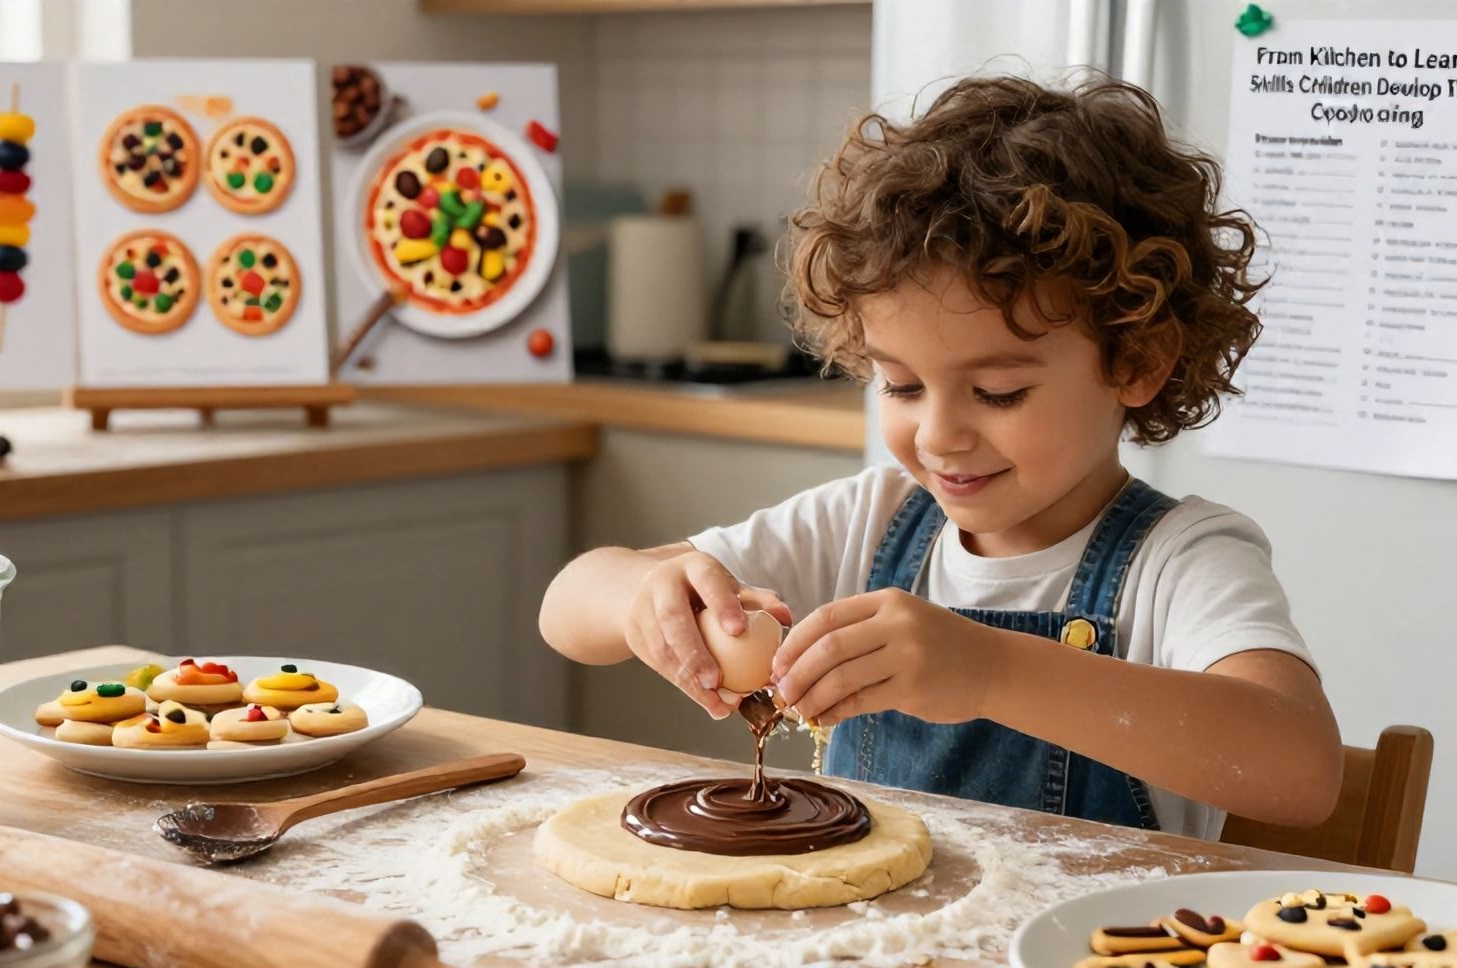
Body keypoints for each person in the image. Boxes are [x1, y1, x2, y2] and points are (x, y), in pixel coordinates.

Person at [539, 76, 1342, 838]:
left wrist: (990, 671)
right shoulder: (869, 523)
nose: (938, 436)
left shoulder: (1180, 562)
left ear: (1136, 363)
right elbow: (567, 610)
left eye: (997, 393)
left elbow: (1299, 769)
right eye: (901, 385)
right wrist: (648, 594)